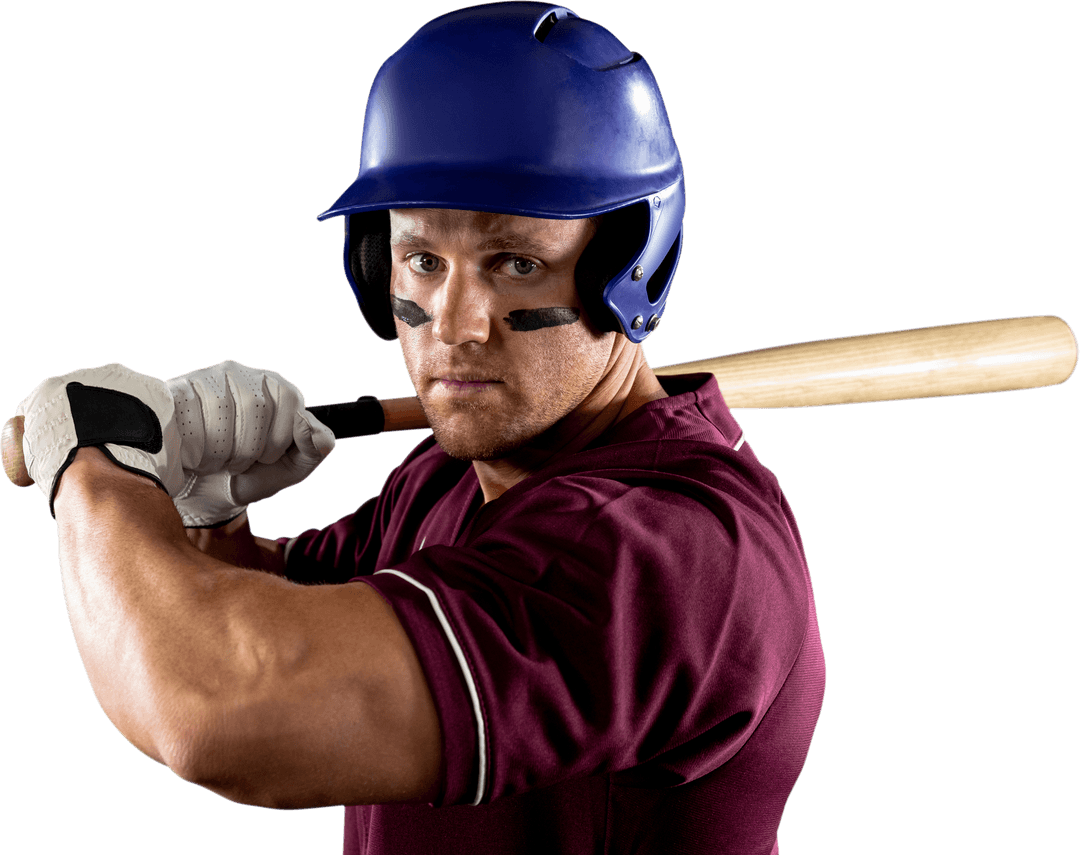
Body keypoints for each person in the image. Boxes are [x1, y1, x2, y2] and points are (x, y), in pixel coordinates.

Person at [16, 3, 825, 853]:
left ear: (631, 263)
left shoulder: (674, 554)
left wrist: (94, 468)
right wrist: (208, 515)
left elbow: (221, 705)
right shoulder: (450, 473)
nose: (454, 324)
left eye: (516, 263)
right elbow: (251, 612)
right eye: (424, 260)